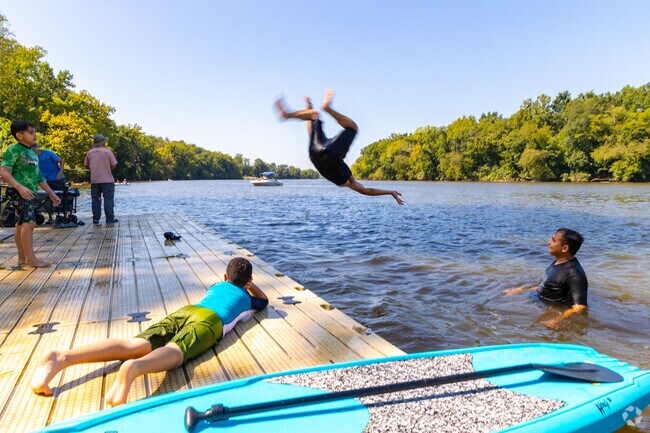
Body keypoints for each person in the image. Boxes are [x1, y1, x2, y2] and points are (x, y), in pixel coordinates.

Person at [30, 257, 268, 406]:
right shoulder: (247, 299)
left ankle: (62, 357)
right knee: (176, 351)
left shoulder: (217, 285)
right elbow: (264, 301)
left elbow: (232, 285)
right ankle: (134, 367)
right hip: (210, 321)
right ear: (248, 281)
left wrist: (239, 282)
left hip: (187, 310)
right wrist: (250, 286)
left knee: (136, 344)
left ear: (225, 277)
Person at [275, 89, 404, 205]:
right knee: (352, 128)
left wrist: (308, 110)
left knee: (315, 115)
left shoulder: (343, 172)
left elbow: (311, 134)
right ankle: (327, 108)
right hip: (316, 155)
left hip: (314, 151)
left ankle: (287, 115)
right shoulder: (348, 182)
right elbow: (366, 190)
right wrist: (389, 192)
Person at [0, 121, 61, 268]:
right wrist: (20, 188)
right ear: (19, 135)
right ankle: (31, 259)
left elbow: (39, 177)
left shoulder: (32, 154)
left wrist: (51, 193)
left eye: (34, 132)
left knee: (20, 225)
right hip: (18, 191)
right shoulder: (14, 150)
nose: (35, 135)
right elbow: (3, 171)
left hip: (29, 193)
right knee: (30, 223)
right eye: (31, 132)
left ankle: (22, 258)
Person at [504, 228, 588, 328]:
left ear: (564, 248)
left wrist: (557, 320)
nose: (548, 242)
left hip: (555, 310)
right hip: (543, 304)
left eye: (553, 240)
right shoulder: (558, 262)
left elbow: (579, 307)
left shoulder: (574, 274)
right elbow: (545, 284)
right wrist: (519, 290)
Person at [84, 133, 118, 224]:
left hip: (94, 180)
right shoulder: (108, 152)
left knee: (95, 200)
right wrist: (107, 168)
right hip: (107, 180)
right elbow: (114, 164)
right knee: (108, 199)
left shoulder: (89, 152)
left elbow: (86, 165)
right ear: (103, 142)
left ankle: (96, 219)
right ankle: (110, 219)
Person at [32, 143, 66, 224]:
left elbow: (61, 162)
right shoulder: (33, 158)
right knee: (48, 198)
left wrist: (60, 173)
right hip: (45, 180)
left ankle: (65, 215)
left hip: (57, 178)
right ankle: (50, 218)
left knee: (62, 196)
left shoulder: (48, 153)